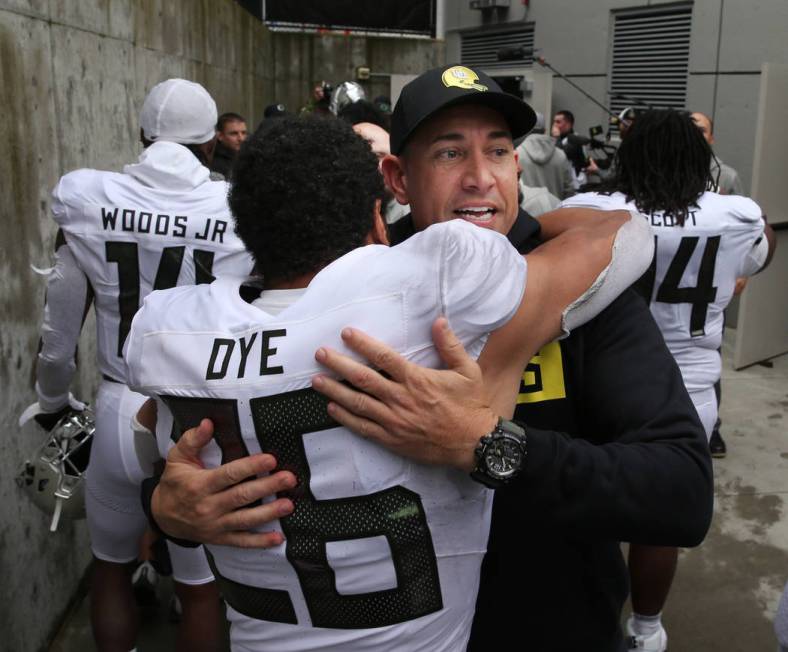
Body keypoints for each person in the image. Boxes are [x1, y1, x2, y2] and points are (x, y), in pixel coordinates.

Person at [145, 64, 713, 652]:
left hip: (555, 630)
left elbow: (683, 493)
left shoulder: (588, 286)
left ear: (518, 165)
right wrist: (165, 507)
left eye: (497, 150)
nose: (479, 178)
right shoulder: (334, 277)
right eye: (448, 153)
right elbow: (189, 440)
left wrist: (489, 446)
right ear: (396, 178)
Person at [32, 78, 254, 652]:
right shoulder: (236, 209)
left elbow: (58, 337)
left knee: (109, 569)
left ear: (141, 136)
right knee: (199, 588)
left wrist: (52, 403)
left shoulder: (89, 203)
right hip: (198, 413)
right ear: (211, 147)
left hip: (116, 404)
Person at [561, 108, 775, 651]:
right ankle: (649, 631)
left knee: (590, 499)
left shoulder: (590, 208)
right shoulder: (738, 213)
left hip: (604, 382)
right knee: (656, 520)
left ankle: (591, 612)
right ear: (701, 158)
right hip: (692, 387)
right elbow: (761, 251)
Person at [517, 112, 576, 199]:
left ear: (526, 129)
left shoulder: (517, 153)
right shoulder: (561, 155)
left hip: (527, 209)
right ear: (544, 130)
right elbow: (569, 190)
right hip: (555, 209)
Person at [691, 111, 745, 196]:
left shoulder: (728, 177)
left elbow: (737, 208)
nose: (696, 134)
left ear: (711, 139)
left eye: (702, 130)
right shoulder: (666, 171)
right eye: (691, 129)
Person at [211, 111, 248, 179]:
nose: (241, 138)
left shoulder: (249, 155)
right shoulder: (216, 165)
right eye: (234, 133)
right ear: (220, 136)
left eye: (244, 133)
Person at [552, 109, 588, 176]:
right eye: (554, 122)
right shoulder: (559, 138)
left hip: (575, 182)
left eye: (558, 122)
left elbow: (561, 156)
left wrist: (557, 137)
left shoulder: (575, 139)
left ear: (568, 124)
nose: (554, 125)